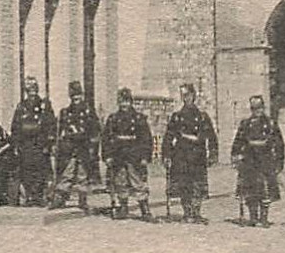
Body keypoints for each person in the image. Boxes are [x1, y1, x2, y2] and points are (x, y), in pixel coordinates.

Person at [162, 83, 217, 224]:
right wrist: (166, 155)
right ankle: (187, 212)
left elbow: (211, 137)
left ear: (193, 96)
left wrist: (213, 154)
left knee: (198, 184)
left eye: (187, 95)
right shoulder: (177, 117)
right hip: (181, 156)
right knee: (184, 184)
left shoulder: (203, 117)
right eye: (183, 95)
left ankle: (196, 212)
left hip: (198, 155)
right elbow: (168, 137)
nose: (185, 98)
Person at [230, 94, 285, 227]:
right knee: (250, 191)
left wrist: (279, 162)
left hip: (266, 161)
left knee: (265, 191)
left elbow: (279, 144)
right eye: (254, 108)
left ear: (263, 107)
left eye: (259, 107)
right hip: (249, 162)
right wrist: (235, 156)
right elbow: (238, 142)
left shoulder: (271, 124)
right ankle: (253, 217)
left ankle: (264, 217)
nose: (257, 111)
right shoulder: (245, 124)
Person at [101, 88, 154, 221]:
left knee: (138, 182)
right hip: (118, 156)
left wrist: (144, 157)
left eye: (126, 102)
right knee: (120, 182)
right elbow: (106, 139)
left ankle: (144, 208)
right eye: (121, 102)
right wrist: (107, 156)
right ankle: (123, 207)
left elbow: (146, 139)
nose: (124, 105)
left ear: (130, 102)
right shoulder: (113, 119)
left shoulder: (139, 119)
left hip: (134, 156)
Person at [50, 81, 101, 213]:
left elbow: (96, 130)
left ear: (82, 96)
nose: (76, 100)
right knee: (67, 173)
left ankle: (82, 200)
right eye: (73, 98)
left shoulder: (89, 112)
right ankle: (59, 198)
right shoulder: (66, 112)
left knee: (82, 175)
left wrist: (92, 147)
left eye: (78, 97)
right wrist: (58, 145)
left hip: (84, 147)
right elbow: (59, 132)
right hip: (70, 148)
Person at [10, 76, 57, 206]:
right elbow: (15, 126)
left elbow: (51, 124)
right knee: (27, 170)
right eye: (29, 90)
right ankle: (30, 196)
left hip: (40, 143)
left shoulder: (44, 105)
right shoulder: (21, 106)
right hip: (26, 144)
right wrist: (16, 144)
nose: (32, 93)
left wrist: (49, 143)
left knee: (41, 170)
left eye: (34, 90)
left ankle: (39, 196)